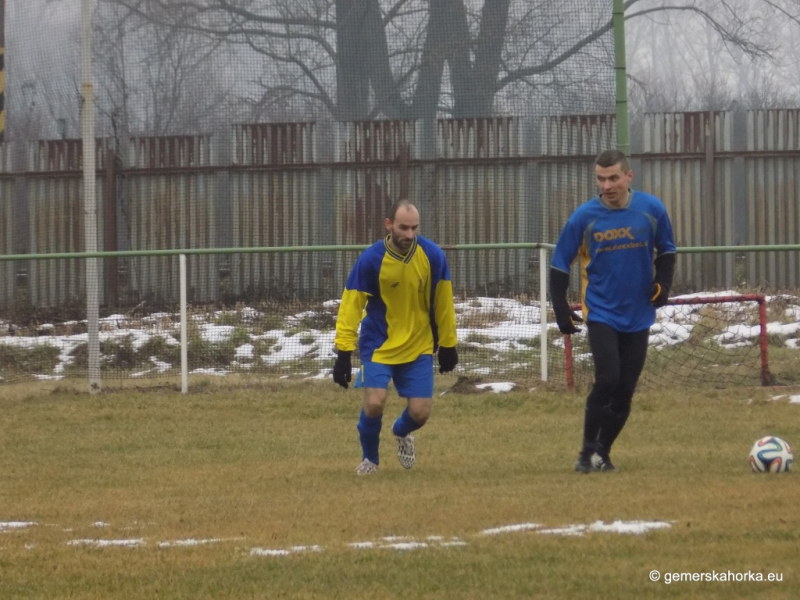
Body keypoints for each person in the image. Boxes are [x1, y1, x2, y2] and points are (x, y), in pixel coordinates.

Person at [550, 149, 676, 473]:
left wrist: (663, 283)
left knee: (625, 391)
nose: (606, 185)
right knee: (607, 379)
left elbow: (667, 250)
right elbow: (560, 263)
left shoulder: (651, 209)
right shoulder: (584, 217)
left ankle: (602, 453)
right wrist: (561, 308)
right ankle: (585, 454)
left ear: (628, 177)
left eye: (613, 178)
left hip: (639, 314)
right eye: (601, 179)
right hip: (602, 312)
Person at [332, 201, 459, 475]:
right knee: (375, 403)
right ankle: (370, 460)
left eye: (414, 228)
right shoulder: (370, 260)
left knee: (420, 413)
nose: (409, 234)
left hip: (418, 345)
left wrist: (448, 343)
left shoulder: (432, 256)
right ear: (388, 225)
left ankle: (401, 432)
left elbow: (444, 301)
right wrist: (343, 352)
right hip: (379, 345)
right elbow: (351, 305)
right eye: (403, 227)